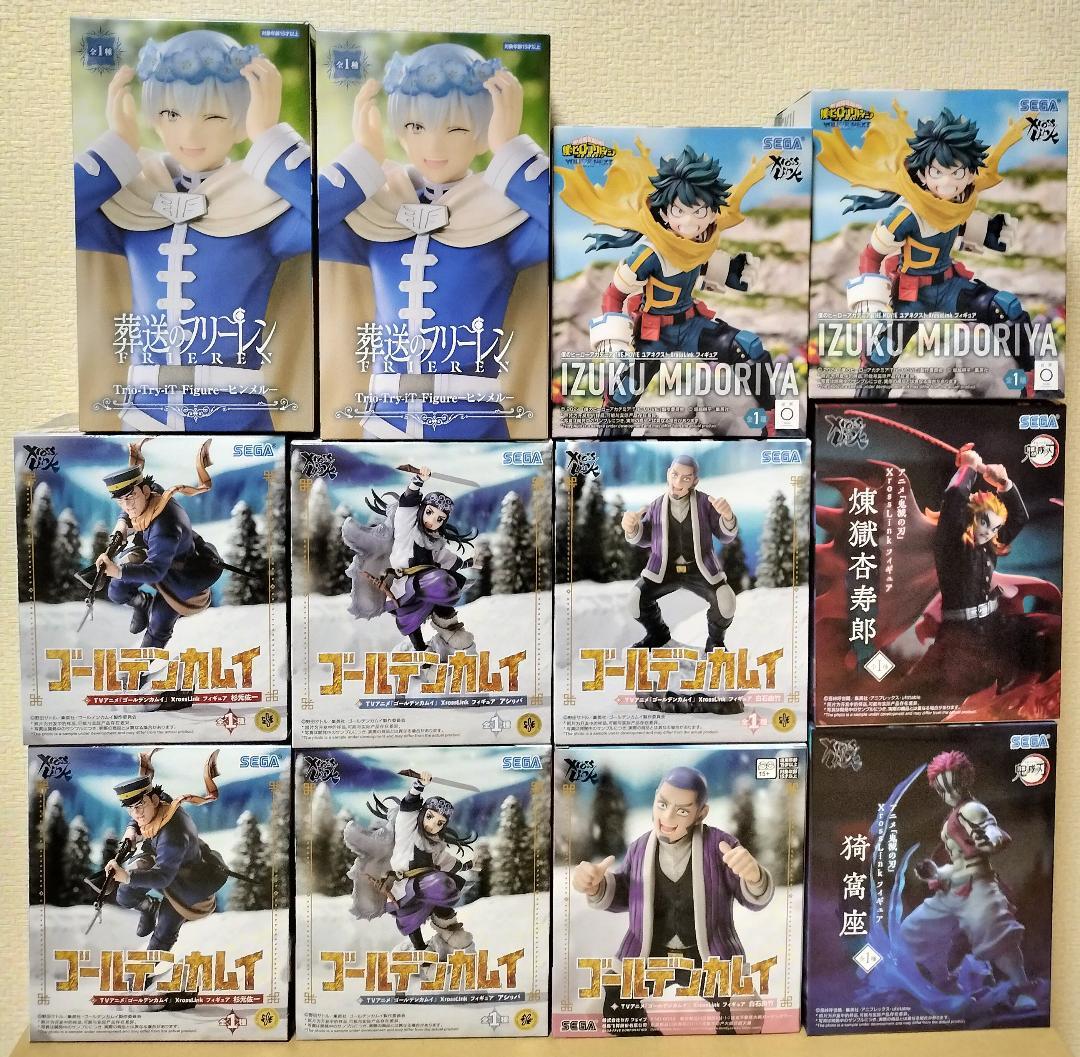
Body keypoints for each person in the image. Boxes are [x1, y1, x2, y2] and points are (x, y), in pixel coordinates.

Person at [75, 29, 312, 430]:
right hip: (143, 415)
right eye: (172, 114)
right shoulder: (134, 201)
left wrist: (269, 136)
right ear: (154, 118)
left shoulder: (262, 210)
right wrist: (117, 147)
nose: (189, 133)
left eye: (213, 116)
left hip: (237, 417)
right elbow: (58, 212)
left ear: (241, 122)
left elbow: (331, 214)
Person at [319, 43, 550, 439]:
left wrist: (511, 149)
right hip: (384, 422)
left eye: (456, 129)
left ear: (482, 133)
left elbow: (568, 220)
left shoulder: (503, 220)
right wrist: (362, 160)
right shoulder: (378, 212)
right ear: (399, 132)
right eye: (416, 127)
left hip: (474, 425)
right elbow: (304, 220)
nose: (434, 146)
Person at [815, 104, 1033, 397]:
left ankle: (1032, 381)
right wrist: (871, 303)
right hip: (911, 295)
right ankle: (863, 409)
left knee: (1006, 307)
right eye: (937, 172)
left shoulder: (961, 204)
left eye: (957, 172)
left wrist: (991, 233)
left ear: (970, 172)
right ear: (922, 174)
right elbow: (871, 255)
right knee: (880, 353)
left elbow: (958, 226)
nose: (947, 182)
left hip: (950, 287)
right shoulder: (906, 216)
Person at [557, 141, 772, 436]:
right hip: (653, 334)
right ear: (665, 213)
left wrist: (736, 273)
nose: (689, 221)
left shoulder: (703, 244)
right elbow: (614, 294)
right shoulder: (648, 253)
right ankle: (607, 442)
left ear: (713, 212)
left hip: (692, 326)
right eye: (679, 210)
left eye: (700, 211)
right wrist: (614, 342)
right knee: (623, 392)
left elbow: (704, 268)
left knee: (748, 347)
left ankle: (772, 423)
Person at [572, 766, 772, 1033]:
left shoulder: (720, 846)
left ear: (701, 813)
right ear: (655, 799)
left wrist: (754, 876)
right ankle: (644, 1037)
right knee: (609, 1010)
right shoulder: (639, 848)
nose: (667, 817)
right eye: (662, 804)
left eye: (682, 810)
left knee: (746, 1015)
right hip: (651, 953)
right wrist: (596, 885)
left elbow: (755, 898)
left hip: (708, 953)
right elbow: (626, 892)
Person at [899, 750, 1037, 1011]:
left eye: (954, 786)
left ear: (965, 780)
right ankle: (945, 983)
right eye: (943, 790)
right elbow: (958, 863)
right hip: (953, 889)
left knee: (996, 933)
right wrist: (936, 873)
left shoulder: (972, 809)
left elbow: (991, 830)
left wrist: (992, 839)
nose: (949, 793)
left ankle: (1022, 990)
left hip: (979, 886)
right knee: (914, 931)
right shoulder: (953, 816)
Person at [96, 439, 222, 654]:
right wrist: (122, 524)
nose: (127, 505)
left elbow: (155, 571)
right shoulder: (152, 493)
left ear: (145, 491)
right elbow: (128, 508)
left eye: (130, 497)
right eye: (120, 501)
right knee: (116, 591)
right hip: (159, 559)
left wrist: (117, 570)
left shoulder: (165, 526)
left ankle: (141, 668)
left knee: (158, 625)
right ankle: (142, 603)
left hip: (183, 581)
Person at [343, 466, 477, 657]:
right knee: (411, 616)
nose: (432, 521)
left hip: (427, 582)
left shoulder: (434, 542)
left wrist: (468, 563)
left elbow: (447, 559)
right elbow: (407, 503)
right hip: (405, 584)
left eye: (440, 519)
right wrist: (418, 481)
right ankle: (421, 651)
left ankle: (450, 630)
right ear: (422, 509)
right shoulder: (407, 529)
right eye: (429, 512)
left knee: (446, 584)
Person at [107, 748, 229, 955]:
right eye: (130, 808)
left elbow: (163, 877)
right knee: (124, 895)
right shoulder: (160, 800)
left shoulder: (173, 835)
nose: (136, 813)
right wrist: (131, 830)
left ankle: (147, 969)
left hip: (188, 885)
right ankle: (149, 907)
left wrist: (126, 876)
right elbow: (138, 813)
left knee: (163, 931)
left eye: (140, 805)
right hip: (163, 863)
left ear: (154, 801)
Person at [344, 771, 476, 957]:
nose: (433, 825)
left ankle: (450, 931)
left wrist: (467, 866)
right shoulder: (408, 831)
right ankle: (420, 950)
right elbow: (408, 807)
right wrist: (418, 786)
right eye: (430, 817)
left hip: (427, 883)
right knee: (411, 916)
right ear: (422, 814)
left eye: (439, 823)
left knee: (444, 887)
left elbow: (447, 862)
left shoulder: (435, 845)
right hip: (404, 885)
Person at [621, 455, 738, 653]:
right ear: (668, 474)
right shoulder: (656, 506)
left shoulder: (706, 503)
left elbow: (725, 536)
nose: (678, 482)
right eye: (675, 475)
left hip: (700, 569)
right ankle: (658, 634)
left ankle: (715, 643)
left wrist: (727, 517)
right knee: (635, 600)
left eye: (686, 478)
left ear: (695, 481)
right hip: (664, 569)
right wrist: (631, 528)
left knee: (726, 602)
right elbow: (644, 538)